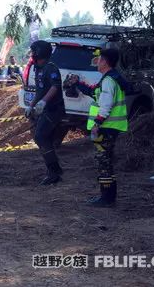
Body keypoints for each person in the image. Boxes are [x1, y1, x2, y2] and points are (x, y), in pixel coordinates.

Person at [66, 48, 130, 207]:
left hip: (106, 127)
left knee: (104, 162)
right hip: (110, 127)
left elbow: (106, 105)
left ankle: (106, 198)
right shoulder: (109, 78)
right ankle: (108, 197)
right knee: (106, 161)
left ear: (105, 62)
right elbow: (94, 91)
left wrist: (97, 124)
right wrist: (78, 83)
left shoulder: (108, 81)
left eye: (99, 59)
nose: (97, 62)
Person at [24, 40, 65, 185]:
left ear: (40, 52)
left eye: (34, 51)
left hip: (54, 109)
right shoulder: (38, 68)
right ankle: (53, 169)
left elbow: (55, 87)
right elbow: (39, 90)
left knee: (40, 136)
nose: (32, 54)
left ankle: (54, 172)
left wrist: (44, 102)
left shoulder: (50, 68)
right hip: (45, 108)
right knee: (42, 138)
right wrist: (32, 105)